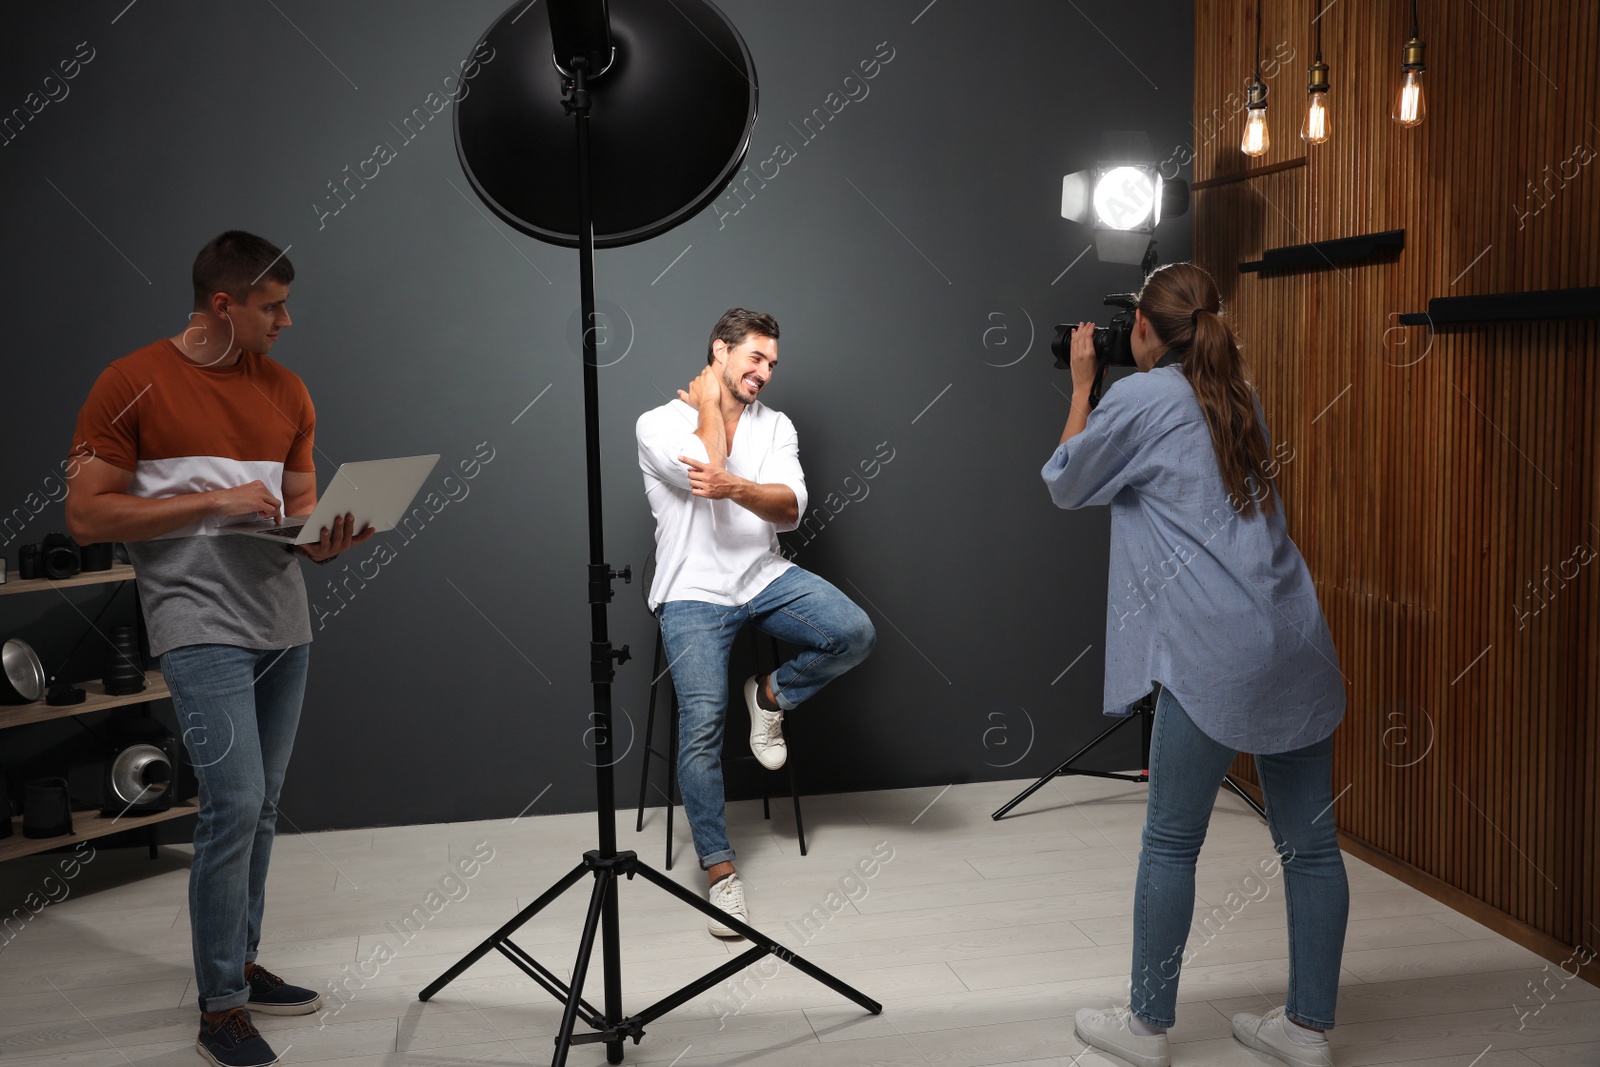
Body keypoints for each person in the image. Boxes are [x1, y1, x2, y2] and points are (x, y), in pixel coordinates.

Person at [65, 231, 373, 1067]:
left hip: (283, 622)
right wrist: (208, 500)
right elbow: (87, 516)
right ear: (223, 305)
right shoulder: (129, 383)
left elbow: (296, 515)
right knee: (233, 802)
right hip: (197, 622)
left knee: (263, 805)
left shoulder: (289, 390)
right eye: (273, 306)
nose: (288, 320)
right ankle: (221, 1008)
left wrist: (327, 538)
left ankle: (237, 958)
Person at [1042, 263, 1348, 1067]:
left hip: (1213, 651)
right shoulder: (1237, 394)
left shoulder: (1141, 399)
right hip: (1295, 638)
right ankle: (1308, 1029)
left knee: (1172, 843)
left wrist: (1083, 387)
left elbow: (1069, 484)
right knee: (1311, 847)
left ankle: (1144, 1028)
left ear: (1141, 325)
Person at [636, 308, 875, 937]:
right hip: (691, 592)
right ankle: (721, 874)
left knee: (853, 632)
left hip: (761, 575)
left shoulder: (779, 425)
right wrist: (712, 414)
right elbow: (707, 470)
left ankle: (770, 695)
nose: (766, 372)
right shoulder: (657, 425)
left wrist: (735, 484)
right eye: (755, 359)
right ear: (721, 351)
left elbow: (791, 509)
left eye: (772, 363)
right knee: (702, 727)